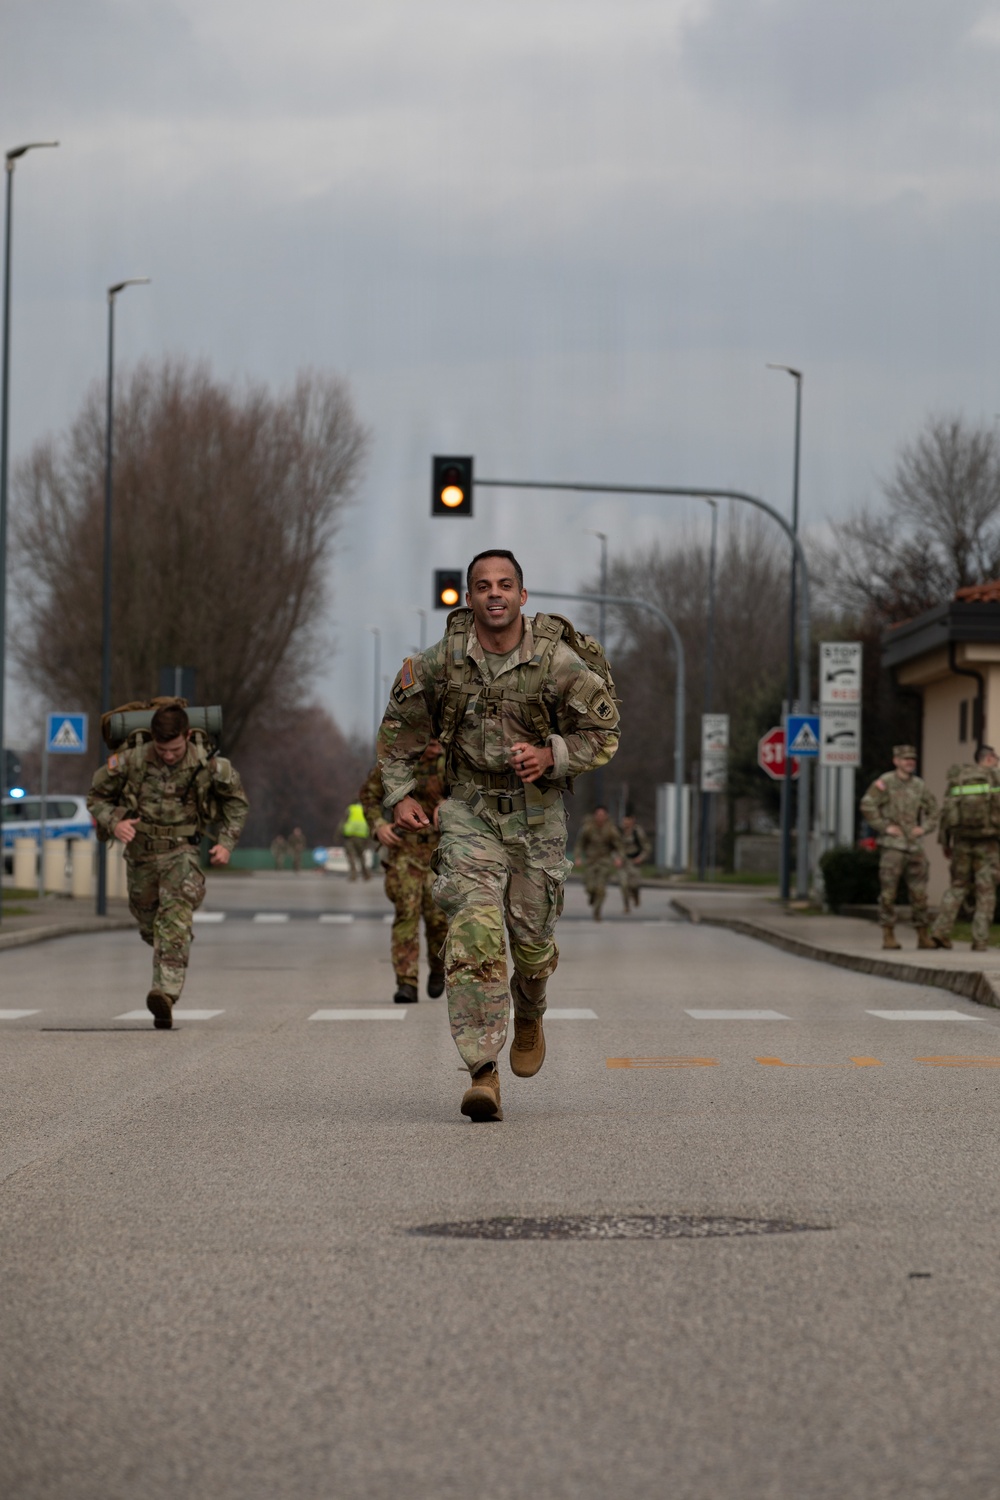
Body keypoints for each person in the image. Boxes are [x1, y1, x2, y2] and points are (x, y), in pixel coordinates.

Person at [378, 549, 620, 1122]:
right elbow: (399, 728)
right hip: (469, 812)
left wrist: (552, 755)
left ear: (522, 596)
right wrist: (401, 793)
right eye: (483, 585)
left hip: (537, 817)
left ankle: (530, 1007)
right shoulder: (441, 662)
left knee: (532, 945)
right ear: (469, 597)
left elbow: (604, 732)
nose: (494, 594)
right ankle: (483, 1071)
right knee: (475, 929)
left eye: (505, 585)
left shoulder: (558, 662)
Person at [86, 702, 249, 1029]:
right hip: (141, 854)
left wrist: (226, 843)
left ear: (187, 736)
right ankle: (174, 946)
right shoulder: (130, 760)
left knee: (174, 917)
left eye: (175, 749)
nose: (170, 755)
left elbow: (236, 802)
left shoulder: (208, 763)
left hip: (182, 852)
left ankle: (165, 994)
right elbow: (96, 798)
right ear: (152, 739)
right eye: (163, 750)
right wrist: (116, 821)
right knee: (150, 925)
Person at [359, 741, 449, 1003]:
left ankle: (438, 967)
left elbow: (474, 794)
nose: (436, 746)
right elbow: (369, 795)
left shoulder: (452, 761)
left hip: (439, 850)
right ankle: (406, 982)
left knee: (439, 918)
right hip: (405, 849)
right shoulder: (398, 763)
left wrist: (450, 805)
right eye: (430, 741)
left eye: (439, 740)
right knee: (406, 914)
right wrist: (378, 825)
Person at [859, 744, 937, 950]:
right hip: (893, 846)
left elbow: (934, 810)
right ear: (896, 761)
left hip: (914, 846)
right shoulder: (885, 782)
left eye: (912, 759)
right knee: (888, 893)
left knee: (920, 894)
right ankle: (888, 934)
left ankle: (922, 935)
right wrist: (884, 827)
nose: (909, 762)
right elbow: (867, 804)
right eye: (905, 759)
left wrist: (924, 828)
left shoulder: (919, 785)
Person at [930, 744, 1000, 953]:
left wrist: (945, 843)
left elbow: (946, 814)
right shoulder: (995, 779)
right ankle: (980, 940)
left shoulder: (958, 778)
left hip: (961, 842)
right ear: (988, 758)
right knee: (986, 891)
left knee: (957, 886)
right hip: (988, 843)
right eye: (996, 758)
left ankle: (940, 931)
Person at [574, 806, 624, 921]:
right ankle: (592, 895)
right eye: (598, 815)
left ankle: (597, 911)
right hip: (591, 861)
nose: (600, 817)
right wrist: (578, 857)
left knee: (601, 888)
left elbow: (619, 845)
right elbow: (580, 843)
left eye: (602, 815)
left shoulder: (611, 829)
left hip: (604, 862)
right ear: (594, 816)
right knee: (590, 887)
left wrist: (619, 858)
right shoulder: (588, 828)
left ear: (606, 816)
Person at [619, 810, 651, 913]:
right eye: (624, 820)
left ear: (632, 820)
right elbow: (613, 846)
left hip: (634, 862)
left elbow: (647, 847)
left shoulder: (638, 832)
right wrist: (616, 858)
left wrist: (641, 858)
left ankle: (635, 895)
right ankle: (626, 906)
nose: (626, 822)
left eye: (628, 820)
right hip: (623, 862)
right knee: (624, 884)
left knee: (634, 885)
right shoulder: (619, 832)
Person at [340, 800, 371, 881]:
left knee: (351, 856)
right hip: (362, 836)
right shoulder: (365, 809)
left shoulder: (350, 809)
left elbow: (343, 822)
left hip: (351, 836)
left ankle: (353, 875)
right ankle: (366, 874)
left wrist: (339, 834)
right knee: (361, 856)